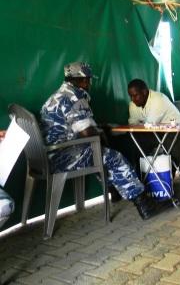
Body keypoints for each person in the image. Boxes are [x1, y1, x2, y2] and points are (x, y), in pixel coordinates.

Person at [40, 62, 161, 220]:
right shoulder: (74, 97)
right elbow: (87, 133)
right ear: (82, 80)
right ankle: (144, 204)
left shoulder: (57, 95)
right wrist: (103, 135)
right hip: (62, 158)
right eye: (88, 80)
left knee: (102, 150)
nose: (89, 83)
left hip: (49, 155)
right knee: (113, 156)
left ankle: (115, 191)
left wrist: (101, 132)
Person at [125, 79, 180, 171]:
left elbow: (150, 124)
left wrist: (142, 124)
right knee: (131, 140)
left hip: (176, 133)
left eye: (135, 95)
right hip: (156, 133)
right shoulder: (133, 104)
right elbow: (133, 125)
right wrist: (143, 125)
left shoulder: (158, 99)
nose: (133, 99)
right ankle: (139, 177)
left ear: (144, 92)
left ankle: (165, 180)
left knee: (172, 151)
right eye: (131, 96)